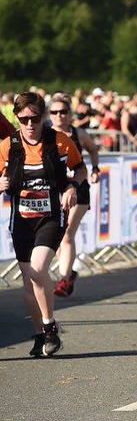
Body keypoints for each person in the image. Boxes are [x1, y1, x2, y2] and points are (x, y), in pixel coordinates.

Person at [0, 93, 86, 357]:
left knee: (38, 270)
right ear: (17, 118)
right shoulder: (8, 145)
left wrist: (72, 186)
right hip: (21, 222)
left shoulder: (59, 141)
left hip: (51, 217)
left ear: (43, 117)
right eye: (23, 119)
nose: (29, 124)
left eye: (35, 118)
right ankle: (41, 334)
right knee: (29, 282)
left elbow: (79, 168)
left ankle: (49, 326)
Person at [47, 96, 100, 298]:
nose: (58, 116)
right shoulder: (47, 135)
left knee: (67, 233)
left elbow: (93, 149)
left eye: (62, 112)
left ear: (70, 115)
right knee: (59, 234)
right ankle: (68, 274)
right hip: (55, 190)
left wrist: (95, 168)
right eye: (54, 112)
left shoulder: (79, 133)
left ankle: (63, 278)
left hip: (78, 189)